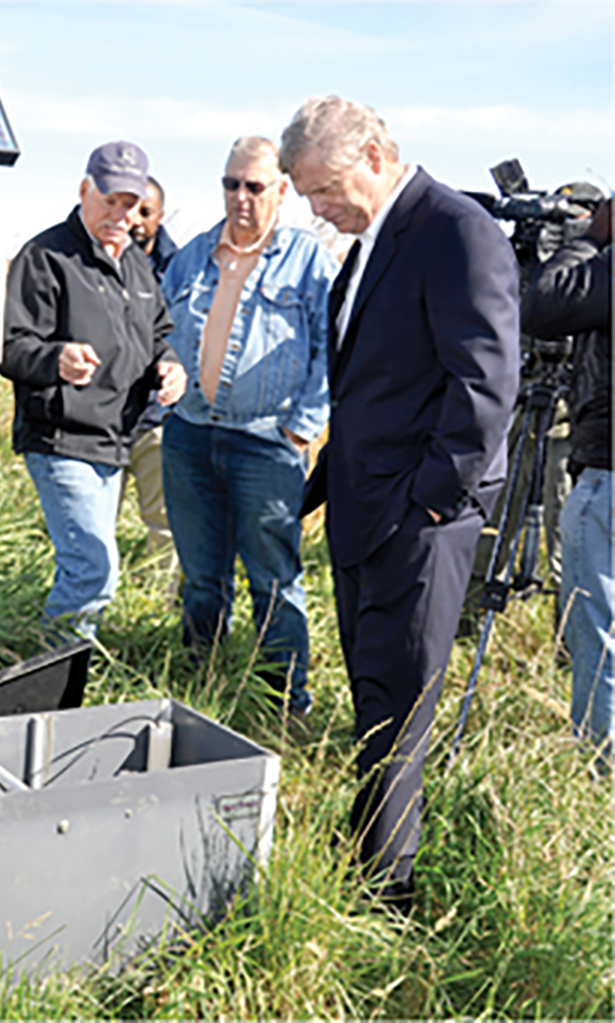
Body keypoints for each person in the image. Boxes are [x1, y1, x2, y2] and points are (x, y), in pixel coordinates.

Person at [281, 96, 520, 911]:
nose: (317, 209)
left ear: (375, 155)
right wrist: (321, 488)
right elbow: (372, 390)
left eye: (324, 188)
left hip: (417, 523)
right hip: (366, 509)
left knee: (400, 705)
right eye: (307, 195)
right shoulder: (372, 241)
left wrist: (430, 504)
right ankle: (367, 850)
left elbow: (486, 385)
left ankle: (388, 891)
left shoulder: (455, 230)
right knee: (375, 692)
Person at [159, 137, 335, 717]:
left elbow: (334, 352)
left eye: (254, 186)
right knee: (202, 576)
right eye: (231, 184)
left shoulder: (309, 262)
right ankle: (201, 680)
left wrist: (300, 429)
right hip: (189, 435)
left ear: (281, 191)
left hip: (266, 443)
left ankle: (283, 702)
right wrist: (167, 368)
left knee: (274, 581)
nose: (240, 197)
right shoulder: (192, 256)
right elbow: (162, 331)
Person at [0, 142, 186, 640]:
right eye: (110, 200)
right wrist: (55, 359)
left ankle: (61, 679)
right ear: (85, 190)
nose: (121, 214)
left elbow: (158, 337)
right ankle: (52, 693)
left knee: (90, 572)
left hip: (117, 441)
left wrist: (169, 367)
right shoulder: (45, 256)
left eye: (130, 203)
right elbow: (11, 349)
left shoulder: (137, 266)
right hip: (62, 439)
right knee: (93, 573)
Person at [521, 197, 612, 764]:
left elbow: (546, 305)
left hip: (608, 472)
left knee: (600, 635)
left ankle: (602, 774)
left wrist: (587, 239)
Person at [125, 176, 181, 583]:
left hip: (154, 417)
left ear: (161, 216)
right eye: (131, 210)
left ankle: (155, 606)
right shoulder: (94, 262)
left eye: (147, 212)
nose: (137, 221)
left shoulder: (180, 269)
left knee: (163, 522)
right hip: (101, 421)